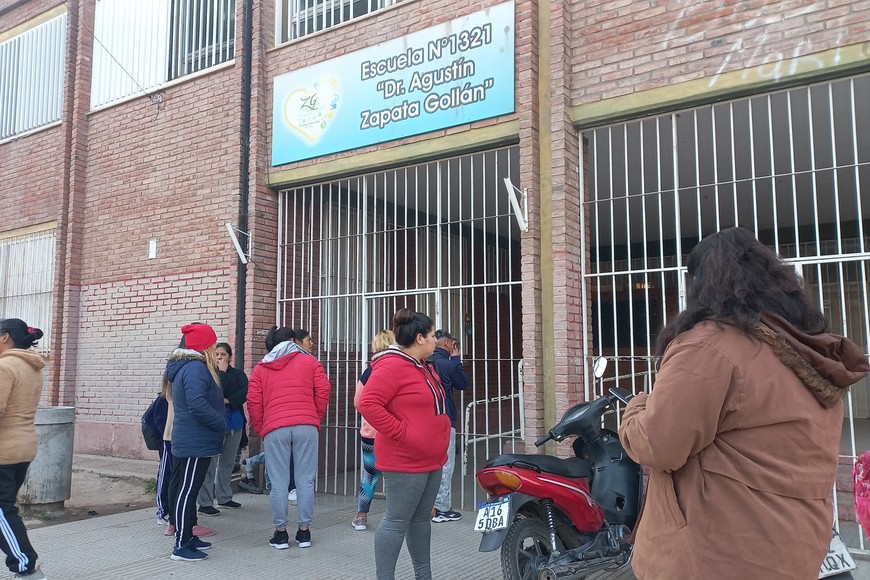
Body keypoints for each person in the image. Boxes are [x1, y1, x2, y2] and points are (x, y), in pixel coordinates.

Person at [618, 227, 870, 580]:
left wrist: (636, 408)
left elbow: (659, 445)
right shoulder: (807, 350)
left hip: (720, 553)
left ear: (702, 284)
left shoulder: (710, 346)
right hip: (796, 544)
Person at [357, 309, 450, 580]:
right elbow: (367, 403)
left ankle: (424, 576)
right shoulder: (392, 365)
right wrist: (402, 432)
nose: (436, 341)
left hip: (432, 457)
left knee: (421, 519)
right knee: (396, 520)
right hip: (406, 458)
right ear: (419, 338)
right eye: (433, 336)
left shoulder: (422, 366)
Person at [247, 325, 330, 550]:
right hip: (306, 426)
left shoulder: (261, 367)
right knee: (305, 480)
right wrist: (315, 417)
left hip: (275, 428)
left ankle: (280, 533)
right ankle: (304, 533)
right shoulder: (310, 362)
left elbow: (254, 401)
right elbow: (323, 391)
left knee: (279, 483)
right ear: (293, 340)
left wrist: (262, 427)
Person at [166, 324, 226, 562]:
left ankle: (188, 536)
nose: (215, 346)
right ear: (205, 346)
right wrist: (221, 422)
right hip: (194, 441)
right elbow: (197, 404)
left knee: (188, 490)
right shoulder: (195, 369)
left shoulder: (192, 367)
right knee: (187, 492)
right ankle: (181, 545)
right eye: (213, 343)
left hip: (195, 439)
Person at [0, 319, 46, 579]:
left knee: (1, 509)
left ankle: (25, 565)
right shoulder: (32, 367)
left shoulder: (5, 366)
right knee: (5, 508)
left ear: (5, 337)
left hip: (4, 449)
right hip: (23, 444)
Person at [197, 342, 249, 515]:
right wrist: (221, 373)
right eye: (217, 354)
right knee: (210, 464)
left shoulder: (238, 374)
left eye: (223, 355)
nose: (220, 357)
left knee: (227, 463)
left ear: (230, 357)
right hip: (215, 425)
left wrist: (227, 400)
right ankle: (205, 502)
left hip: (234, 424)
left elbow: (242, 393)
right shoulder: (209, 373)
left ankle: (224, 497)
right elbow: (214, 393)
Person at [352, 329, 396, 531]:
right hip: (395, 433)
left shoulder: (369, 372)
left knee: (369, 476)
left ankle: (361, 516)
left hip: (370, 434)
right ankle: (398, 518)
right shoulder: (398, 369)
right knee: (398, 476)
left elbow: (358, 402)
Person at [427, 329, 468, 523]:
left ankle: (427, 506)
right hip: (445, 419)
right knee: (446, 463)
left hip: (425, 419)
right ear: (448, 345)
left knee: (428, 463)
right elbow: (462, 383)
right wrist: (457, 359)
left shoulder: (424, 363)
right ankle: (442, 508)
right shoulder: (448, 364)